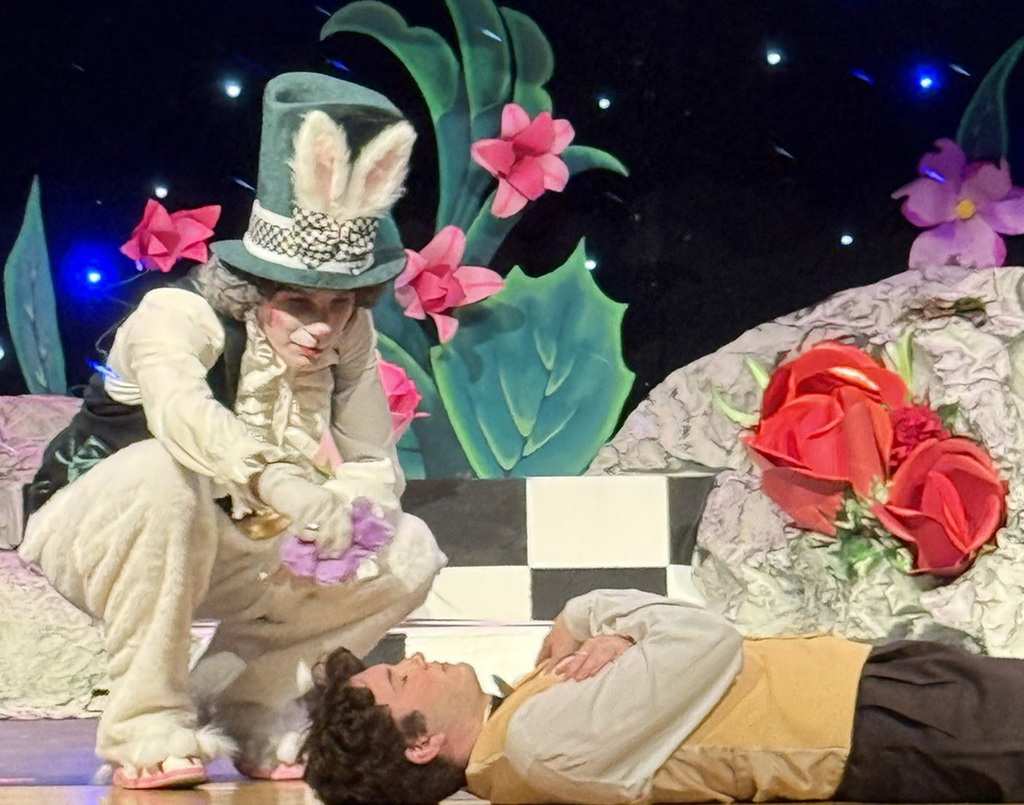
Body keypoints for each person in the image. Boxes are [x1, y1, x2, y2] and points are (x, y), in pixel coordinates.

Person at [18, 73, 446, 790]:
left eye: (338, 305)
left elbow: (372, 456)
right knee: (164, 474)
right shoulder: (175, 316)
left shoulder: (350, 336)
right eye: (297, 302)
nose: (319, 327)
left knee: (407, 550)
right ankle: (143, 720)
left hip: (231, 536)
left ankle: (250, 704)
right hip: (100, 522)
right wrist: (277, 477)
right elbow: (181, 415)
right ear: (256, 291)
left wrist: (350, 508)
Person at [302, 587, 1024, 804]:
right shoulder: (536, 740)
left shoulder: (526, 722)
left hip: (868, 701)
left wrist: (627, 647)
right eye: (400, 678)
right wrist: (591, 614)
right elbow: (706, 641)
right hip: (874, 725)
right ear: (421, 740)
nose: (417, 656)